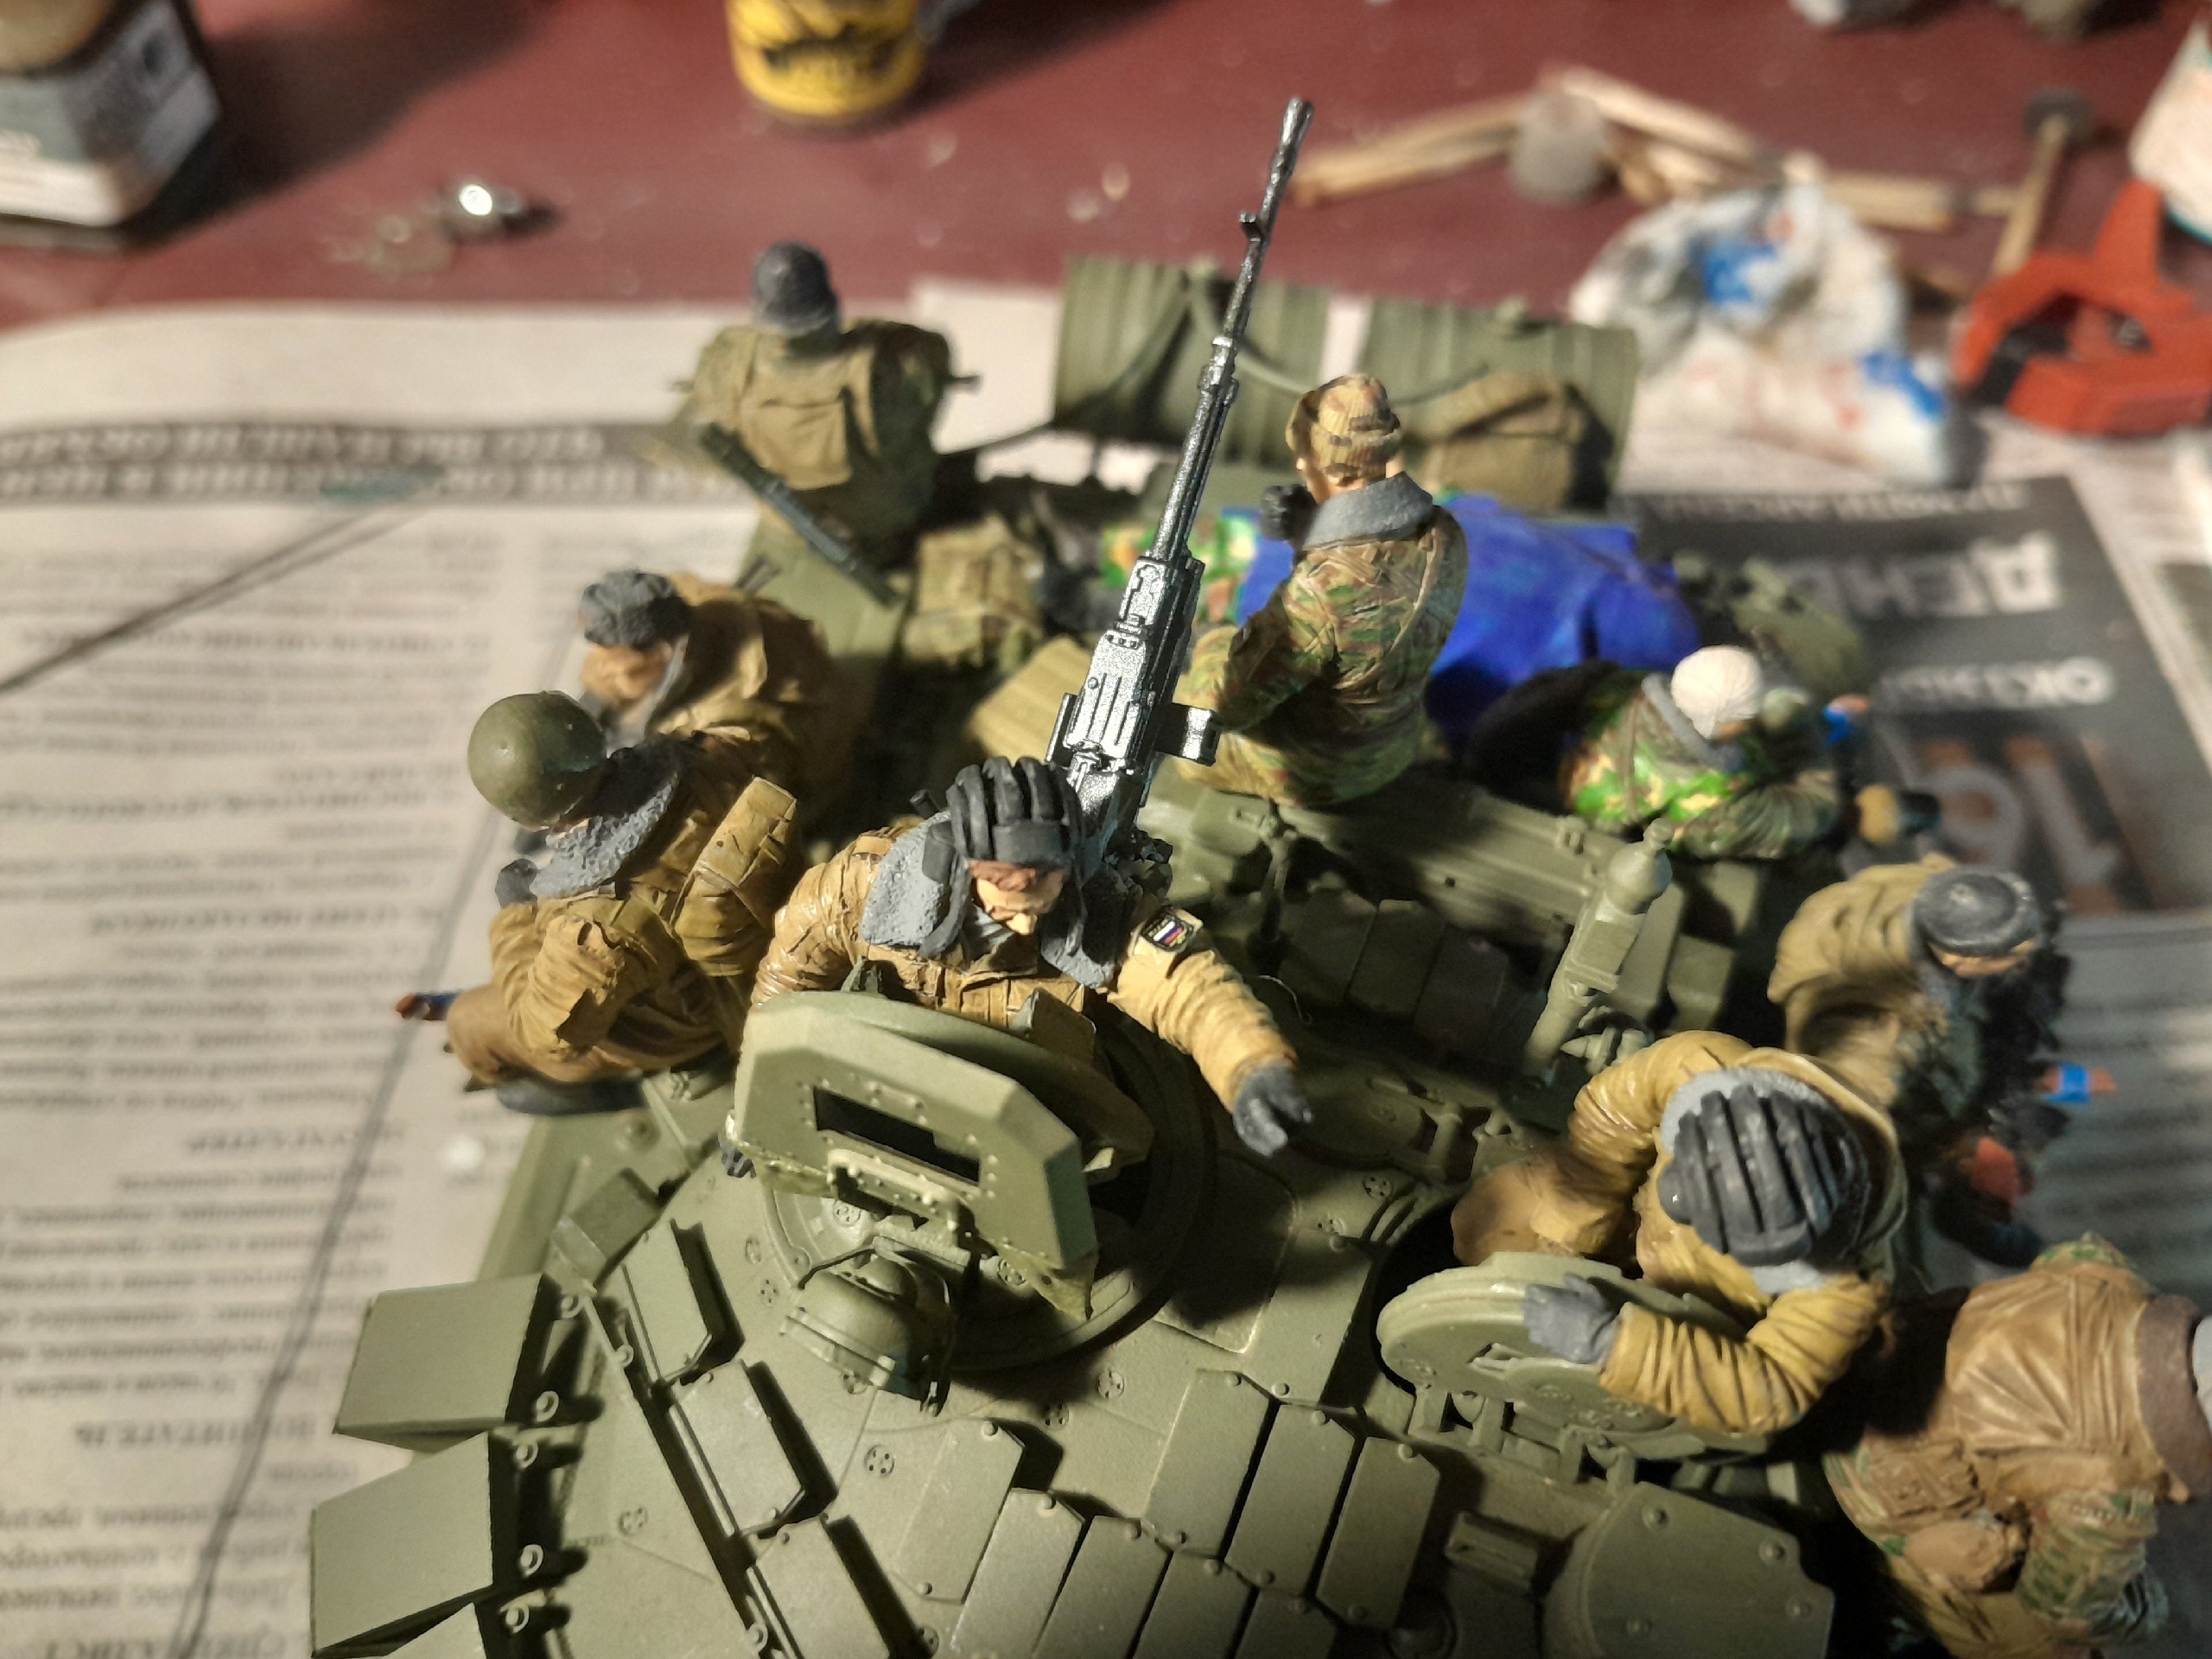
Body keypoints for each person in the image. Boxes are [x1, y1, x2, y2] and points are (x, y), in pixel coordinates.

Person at [751, 755, 1313, 1157]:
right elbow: (789, 974)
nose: (1026, 926)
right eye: (1007, 906)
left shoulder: (1100, 912)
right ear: (968, 866)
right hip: (887, 1093)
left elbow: (1189, 989)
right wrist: (759, 1096)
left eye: (1042, 903)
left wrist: (1252, 1069)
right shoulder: (865, 886)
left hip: (1039, 1127)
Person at [1449, 1029, 1906, 1438]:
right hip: (1630, 1207)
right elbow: (1610, 1116)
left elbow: (1773, 1389)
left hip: (1699, 1323)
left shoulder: (1848, 1285)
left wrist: (1614, 1346)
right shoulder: (1702, 1064)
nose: (1677, 1200)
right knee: (1486, 1231)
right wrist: (1579, 1211)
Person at [1827, 1236, 2210, 1659]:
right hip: (1877, 1494)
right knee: (2057, 1647)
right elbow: (2062, 1612)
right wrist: (2147, 1606)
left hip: (1863, 1373)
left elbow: (2063, 1256)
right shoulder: (2106, 1497)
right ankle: (1891, 1596)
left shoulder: (2110, 1275)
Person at [440, 691, 793, 1114]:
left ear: (525, 818)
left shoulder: (594, 926)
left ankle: (622, 1097)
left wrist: (515, 922)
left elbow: (544, 1035)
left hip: (703, 1020)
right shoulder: (709, 753)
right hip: (784, 928)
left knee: (469, 1021)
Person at [1178, 373, 1469, 808]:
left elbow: (1223, 709)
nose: (1299, 465)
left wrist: (1210, 643)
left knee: (1185, 731)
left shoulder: (1317, 593)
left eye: (1305, 454)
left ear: (1318, 460)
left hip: (1319, 769)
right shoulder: (1445, 533)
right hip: (1395, 740)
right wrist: (1313, 529)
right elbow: (1378, 586)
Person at [1770, 858, 2069, 1269]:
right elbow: (1846, 1111)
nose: (2022, 959)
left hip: (1950, 1059)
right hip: (1908, 1093)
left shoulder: (1940, 900)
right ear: (1963, 958)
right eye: (2011, 953)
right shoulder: (1874, 1051)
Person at [687, 242, 956, 569]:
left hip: (787, 532)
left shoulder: (727, 363)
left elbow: (711, 409)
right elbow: (934, 368)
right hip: (888, 525)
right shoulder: (893, 365)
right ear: (829, 303)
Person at [1552, 644, 1841, 861]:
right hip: (1642, 837)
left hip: (1575, 786)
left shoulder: (1619, 689)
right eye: (1748, 715)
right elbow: (1814, 814)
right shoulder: (1721, 807)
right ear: (1732, 725)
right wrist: (1801, 730)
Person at [574, 568, 837, 792]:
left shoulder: (716, 723)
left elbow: (766, 792)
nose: (603, 666)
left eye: (614, 656)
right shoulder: (697, 602)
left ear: (659, 652)